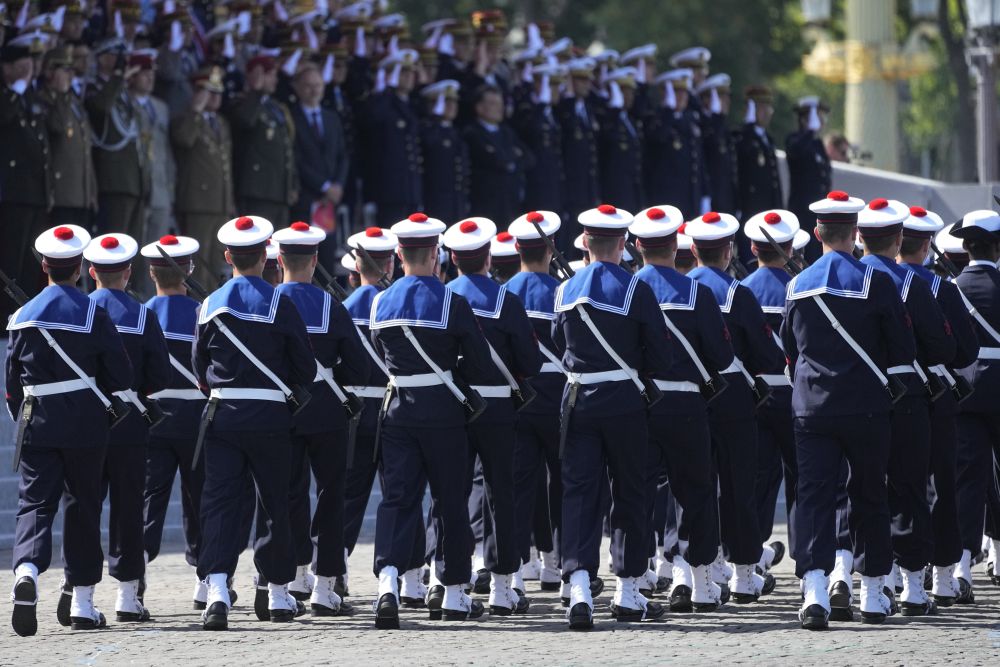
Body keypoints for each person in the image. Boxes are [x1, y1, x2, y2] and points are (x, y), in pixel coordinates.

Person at [781, 190, 915, 630]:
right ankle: (874, 593)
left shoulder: (797, 284)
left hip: (813, 408)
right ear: (855, 233)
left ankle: (816, 590)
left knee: (815, 497)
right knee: (870, 493)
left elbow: (789, 348)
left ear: (817, 232)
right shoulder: (878, 282)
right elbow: (902, 347)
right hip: (867, 406)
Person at [369, 212, 494, 628]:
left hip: (399, 410)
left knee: (397, 499)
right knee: (449, 501)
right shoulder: (452, 301)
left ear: (400, 254)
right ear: (436, 253)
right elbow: (477, 359)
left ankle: (388, 582)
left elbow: (380, 352)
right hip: (442, 412)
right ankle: (455, 592)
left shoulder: (380, 301)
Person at [6, 224, 132, 636]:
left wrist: (23, 420)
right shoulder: (96, 312)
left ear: (44, 266)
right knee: (83, 506)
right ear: (79, 267)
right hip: (85, 423)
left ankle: (26, 570)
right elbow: (119, 372)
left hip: (37, 420)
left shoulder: (20, 317)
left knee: (34, 504)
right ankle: (81, 600)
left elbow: (11, 388)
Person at [553, 204, 673, 629]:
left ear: (585, 243)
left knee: (579, 494)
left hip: (579, 399)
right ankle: (627, 591)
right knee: (630, 492)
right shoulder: (636, 287)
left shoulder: (565, 290)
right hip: (624, 401)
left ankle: (580, 588)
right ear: (623, 243)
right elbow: (658, 352)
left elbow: (557, 341)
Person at [194, 215, 315, 631]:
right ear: (266, 256)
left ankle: (216, 588)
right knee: (274, 504)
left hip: (224, 417)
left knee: (221, 504)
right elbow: (305, 366)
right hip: (270, 417)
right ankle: (277, 592)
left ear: (227, 256)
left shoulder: (209, 305)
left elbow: (199, 367)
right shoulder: (282, 303)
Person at [630, 205, 735, 613]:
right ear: (677, 245)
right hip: (688, 402)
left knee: (636, 491)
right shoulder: (697, 292)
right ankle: (701, 581)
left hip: (640, 402)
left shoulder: (625, 288)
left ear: (637, 245)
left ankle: (639, 576)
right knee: (696, 492)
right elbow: (722, 355)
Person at [857, 197, 955, 617]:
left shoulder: (851, 278)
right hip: (908, 398)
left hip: (860, 398)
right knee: (909, 489)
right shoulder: (913, 284)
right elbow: (942, 345)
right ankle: (914, 586)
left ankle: (873, 583)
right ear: (898, 239)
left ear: (860, 237)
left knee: (864, 490)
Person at [268, 221, 368, 615]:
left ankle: (292, 574)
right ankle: (326, 586)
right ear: (313, 261)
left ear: (279, 261)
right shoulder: (331, 305)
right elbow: (358, 367)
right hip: (327, 410)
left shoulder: (268, 302)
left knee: (287, 493)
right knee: (331, 496)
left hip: (282, 411)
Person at [443, 216, 541, 615]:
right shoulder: (505, 300)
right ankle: (502, 586)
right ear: (487, 256)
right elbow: (530, 361)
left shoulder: (444, 295)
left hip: (453, 404)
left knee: (451, 495)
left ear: (451, 257)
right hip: (498, 405)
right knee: (502, 493)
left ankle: (448, 583)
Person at [687, 211, 783, 604]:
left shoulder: (682, 288)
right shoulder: (737, 293)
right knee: (739, 488)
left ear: (693, 250)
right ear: (728, 251)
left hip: (689, 400)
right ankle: (745, 575)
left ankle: (701, 572)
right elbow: (767, 355)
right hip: (733, 400)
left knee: (696, 488)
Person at [896, 206, 979, 605]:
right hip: (938, 397)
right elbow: (966, 350)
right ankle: (943, 577)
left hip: (889, 398)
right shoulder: (940, 288)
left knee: (892, 485)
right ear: (927, 244)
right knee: (942, 487)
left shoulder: (877, 283)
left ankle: (893, 573)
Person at [139, 234, 211, 610]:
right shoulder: (204, 312)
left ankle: (134, 580)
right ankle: (204, 580)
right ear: (190, 271)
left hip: (154, 418)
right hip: (196, 419)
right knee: (199, 499)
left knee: (150, 500)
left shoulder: (142, 313)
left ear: (152, 275)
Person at [505, 211, 566, 594]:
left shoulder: (504, 292)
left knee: (518, 487)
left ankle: (515, 568)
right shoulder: (563, 292)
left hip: (517, 400)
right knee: (563, 484)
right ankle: (555, 563)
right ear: (552, 248)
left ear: (516, 248)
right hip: (558, 400)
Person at [340, 226, 399, 600]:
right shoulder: (396, 304)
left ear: (354, 268)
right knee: (399, 494)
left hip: (355, 410)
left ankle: (332, 570)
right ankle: (405, 575)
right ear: (390, 261)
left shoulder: (342, 309)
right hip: (393, 407)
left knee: (348, 496)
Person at [740, 210, 800, 575]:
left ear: (752, 247)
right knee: (803, 478)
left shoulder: (743, 289)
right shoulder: (800, 284)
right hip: (795, 394)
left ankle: (755, 551)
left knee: (758, 478)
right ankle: (806, 555)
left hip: (756, 394)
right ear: (790, 247)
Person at [950, 210, 1000, 600]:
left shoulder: (950, 288)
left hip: (965, 391)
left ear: (965, 247)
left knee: (967, 480)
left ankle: (963, 563)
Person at [1, 35, 52, 320]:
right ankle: (6, 316)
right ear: (6, 67)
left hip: (34, 191)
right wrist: (16, 88)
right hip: (12, 191)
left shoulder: (29, 94)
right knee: (10, 260)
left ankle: (24, 314)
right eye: (22, 62)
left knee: (29, 263)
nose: (28, 68)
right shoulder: (10, 94)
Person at [171, 66, 235, 289]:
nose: (216, 98)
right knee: (199, 262)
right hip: (198, 201)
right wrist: (195, 111)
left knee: (216, 261)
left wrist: (230, 202)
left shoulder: (221, 122)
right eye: (210, 92)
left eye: (218, 92)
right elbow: (184, 139)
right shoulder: (187, 119)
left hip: (219, 202)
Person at [289, 64, 349, 269]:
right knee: (304, 256)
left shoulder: (331, 117)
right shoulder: (291, 117)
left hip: (329, 202)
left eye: (318, 85)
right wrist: (323, 186)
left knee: (327, 254)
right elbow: (296, 159)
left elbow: (343, 155)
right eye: (308, 85)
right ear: (297, 87)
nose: (314, 90)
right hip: (306, 197)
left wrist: (337, 186)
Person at [228, 54, 298, 229]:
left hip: (279, 191)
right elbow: (245, 121)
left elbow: (287, 147)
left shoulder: (275, 107)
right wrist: (255, 90)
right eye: (270, 74)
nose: (275, 79)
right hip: (257, 191)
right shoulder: (243, 102)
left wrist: (292, 184)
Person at [87, 46, 150, 238]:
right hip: (113, 182)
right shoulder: (92, 88)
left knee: (133, 248)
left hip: (133, 182)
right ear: (103, 58)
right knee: (114, 244)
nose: (123, 62)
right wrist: (118, 78)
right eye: (117, 56)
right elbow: (101, 107)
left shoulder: (123, 93)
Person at [129, 49, 176, 295]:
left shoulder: (161, 107)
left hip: (160, 189)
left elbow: (166, 151)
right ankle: (134, 296)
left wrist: (170, 188)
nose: (149, 78)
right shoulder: (125, 103)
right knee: (135, 248)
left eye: (151, 73)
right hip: (136, 187)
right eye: (143, 73)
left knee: (155, 250)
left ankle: (151, 300)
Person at [37, 45, 97, 228]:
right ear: (49, 72)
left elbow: (86, 149)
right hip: (62, 193)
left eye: (71, 70)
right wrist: (60, 95)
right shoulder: (44, 100)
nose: (70, 75)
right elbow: (57, 127)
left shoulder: (74, 102)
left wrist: (92, 192)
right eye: (64, 70)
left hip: (82, 194)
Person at [361, 49, 422, 226]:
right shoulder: (382, 103)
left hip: (409, 189)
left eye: (411, 71)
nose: (409, 76)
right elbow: (372, 119)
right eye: (403, 72)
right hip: (388, 191)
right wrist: (386, 90)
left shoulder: (409, 104)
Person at [464, 84, 533, 229]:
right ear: (479, 107)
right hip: (486, 202)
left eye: (501, 104)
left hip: (510, 201)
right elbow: (495, 160)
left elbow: (528, 158)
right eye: (493, 104)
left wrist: (511, 162)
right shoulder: (472, 132)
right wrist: (512, 158)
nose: (499, 108)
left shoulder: (507, 132)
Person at [644, 69, 707, 220]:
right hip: (666, 201)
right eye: (675, 92)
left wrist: (705, 193)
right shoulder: (657, 118)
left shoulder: (690, 121)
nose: (681, 97)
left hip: (690, 199)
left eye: (684, 92)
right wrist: (668, 112)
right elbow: (659, 139)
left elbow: (699, 161)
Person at [735, 86, 782, 266]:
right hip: (750, 208)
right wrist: (748, 127)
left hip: (767, 208)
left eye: (767, 108)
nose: (767, 113)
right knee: (751, 260)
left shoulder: (767, 139)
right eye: (761, 108)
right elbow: (742, 155)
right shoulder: (742, 136)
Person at [511, 63, 565, 215]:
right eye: (552, 86)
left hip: (553, 184)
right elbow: (531, 133)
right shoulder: (527, 109)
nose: (556, 91)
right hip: (536, 186)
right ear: (538, 85)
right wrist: (540, 106)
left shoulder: (551, 113)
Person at [557, 59, 600, 243]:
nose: (586, 84)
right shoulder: (565, 109)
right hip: (571, 186)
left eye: (587, 80)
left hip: (587, 185)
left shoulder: (587, 109)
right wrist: (567, 97)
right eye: (580, 80)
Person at [786, 97, 832, 264]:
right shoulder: (795, 140)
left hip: (818, 212)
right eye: (817, 116)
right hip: (803, 211)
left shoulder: (817, 143)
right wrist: (808, 132)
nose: (821, 121)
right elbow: (797, 152)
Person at [419, 79, 470, 223]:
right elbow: (430, 143)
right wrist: (435, 118)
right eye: (446, 102)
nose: (452, 107)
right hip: (434, 200)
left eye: (454, 102)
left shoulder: (454, 131)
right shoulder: (428, 129)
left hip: (456, 200)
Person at [598, 67, 643, 214]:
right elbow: (607, 142)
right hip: (614, 193)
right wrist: (614, 111)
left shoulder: (630, 120)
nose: (629, 96)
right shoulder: (608, 119)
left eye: (631, 92)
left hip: (632, 192)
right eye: (624, 91)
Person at [696, 74, 737, 216]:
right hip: (710, 197)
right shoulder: (701, 124)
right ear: (707, 99)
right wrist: (716, 119)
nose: (727, 101)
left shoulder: (723, 126)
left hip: (725, 198)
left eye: (727, 97)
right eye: (721, 97)